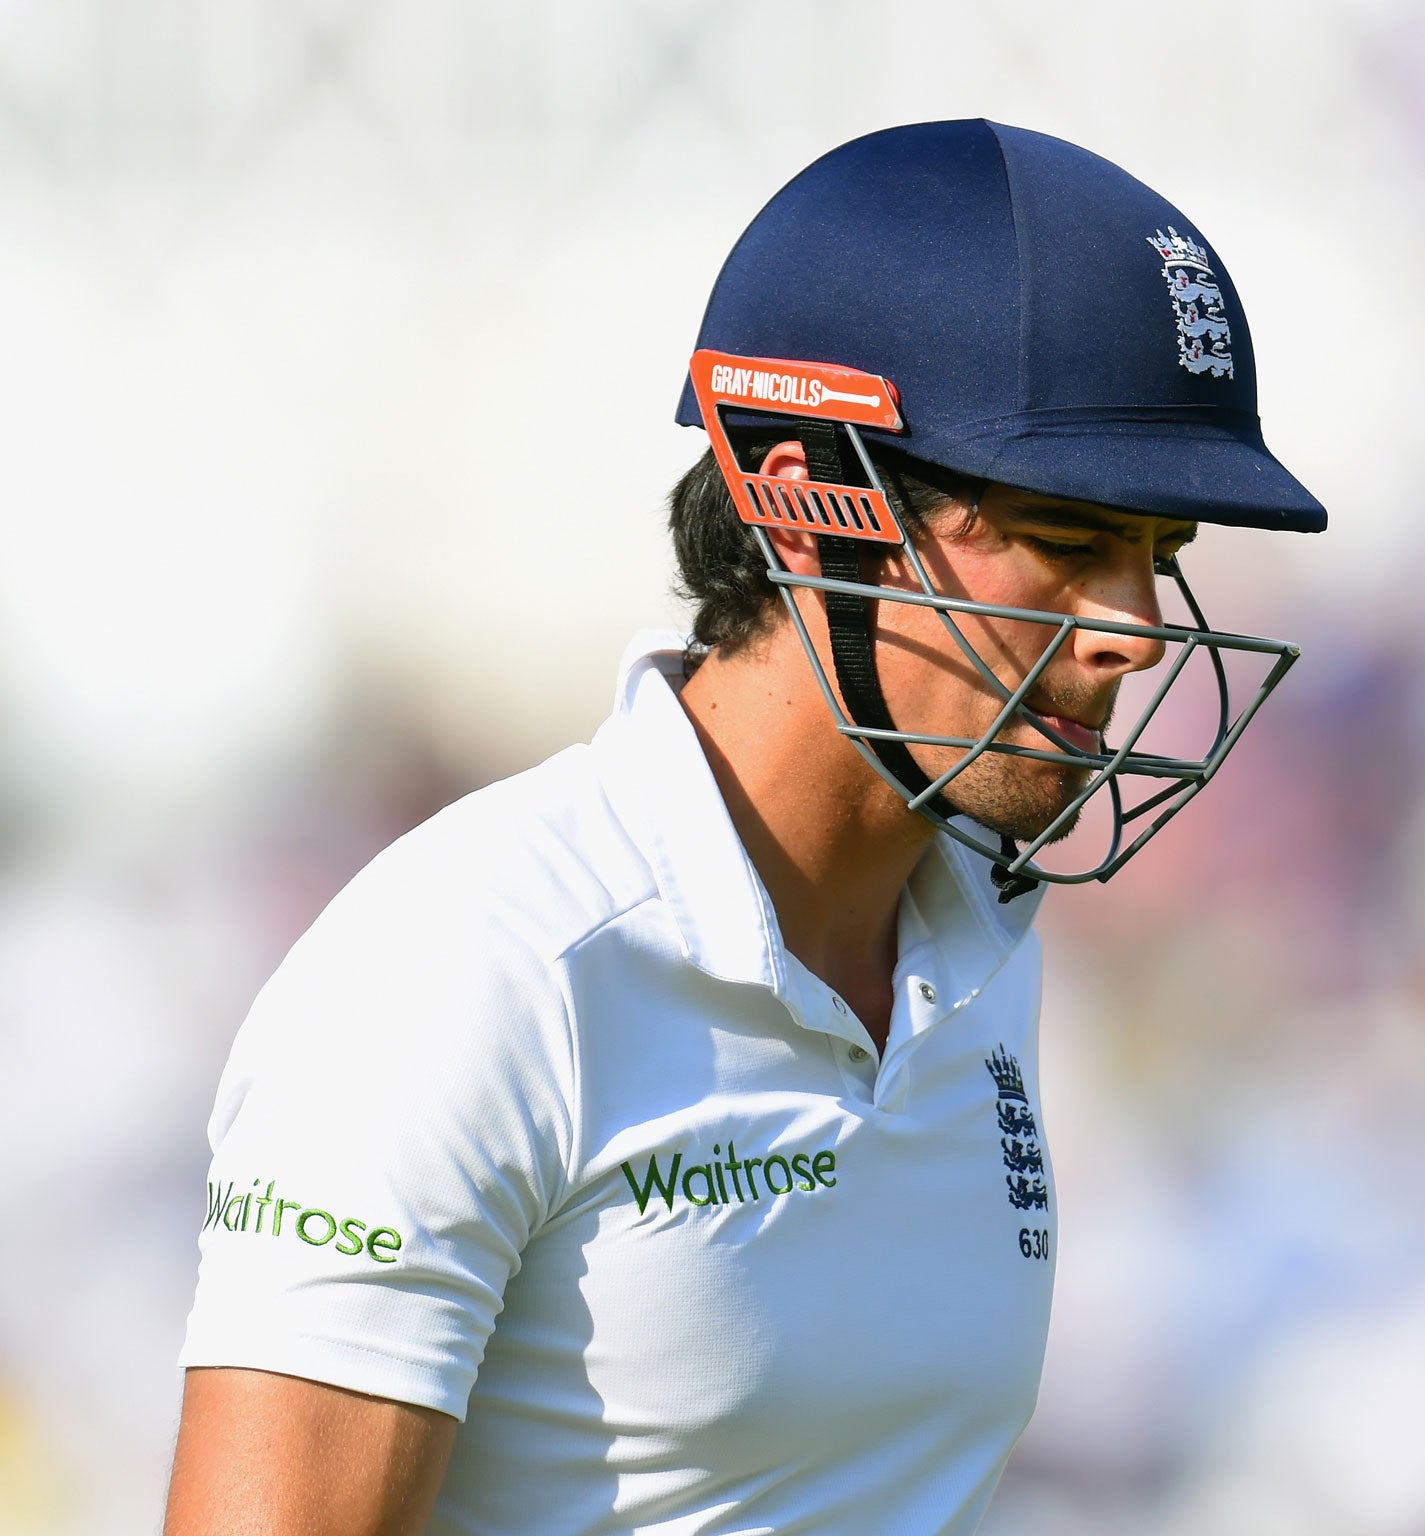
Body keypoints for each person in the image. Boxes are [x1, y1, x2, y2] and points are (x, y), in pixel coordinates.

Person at [163, 118, 1326, 1536]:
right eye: (1066, 543)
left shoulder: (983, 940)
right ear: (803, 493)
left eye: (1156, 560)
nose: (1135, 636)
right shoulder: (476, 963)